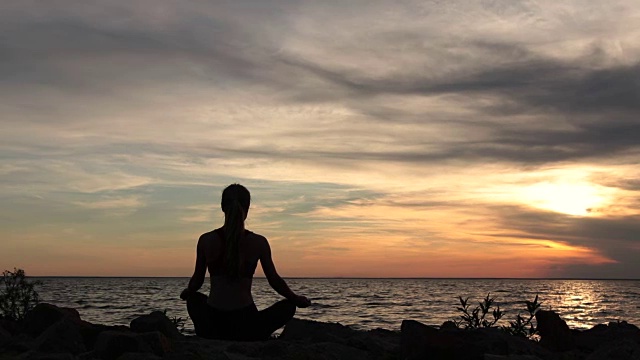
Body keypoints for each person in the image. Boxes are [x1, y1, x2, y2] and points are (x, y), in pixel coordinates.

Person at [180, 184, 311, 340]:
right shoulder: (259, 242)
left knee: (194, 299)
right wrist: (295, 298)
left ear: (222, 207)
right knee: (288, 306)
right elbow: (274, 281)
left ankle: (209, 334)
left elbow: (197, 281)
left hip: (214, 321)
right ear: (247, 208)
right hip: (247, 323)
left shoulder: (206, 240)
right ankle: (253, 335)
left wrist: (188, 292)